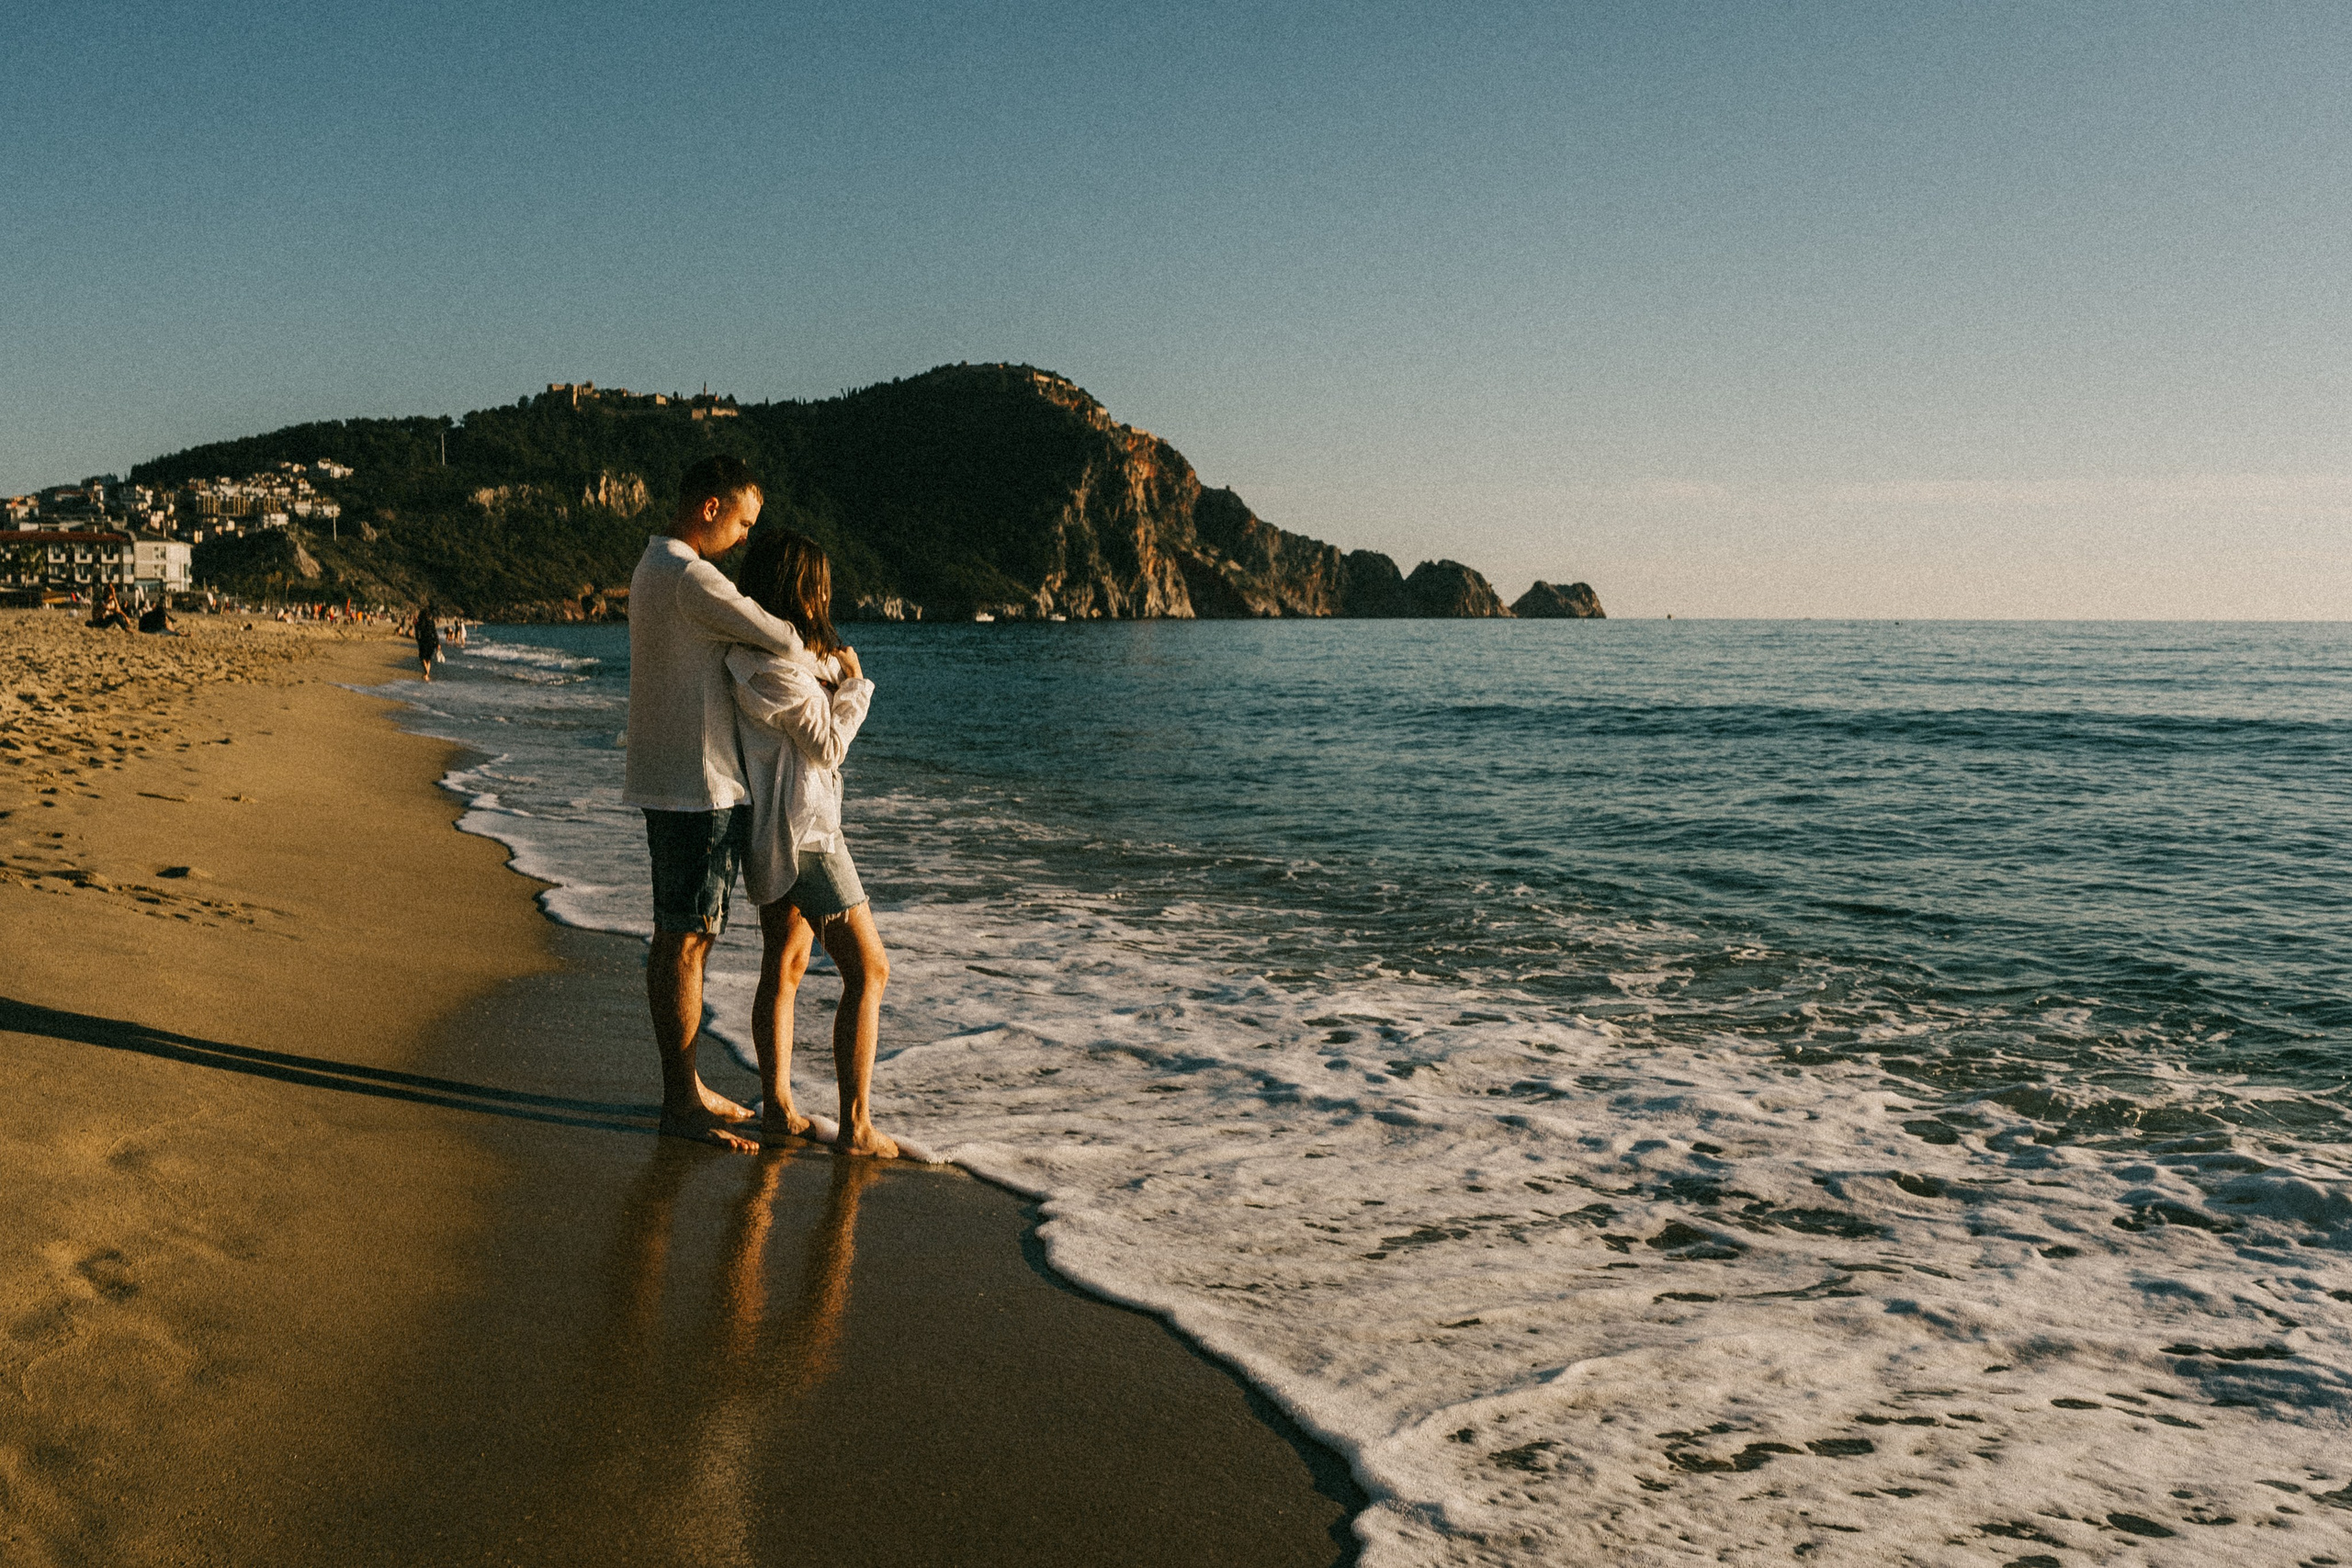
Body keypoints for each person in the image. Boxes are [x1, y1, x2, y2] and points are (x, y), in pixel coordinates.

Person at [622, 455, 812, 1151]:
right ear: (710, 508)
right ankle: (680, 1102)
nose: (745, 538)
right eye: (743, 521)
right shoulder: (688, 576)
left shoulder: (655, 569)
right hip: (696, 788)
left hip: (674, 780)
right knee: (685, 938)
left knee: (684, 936)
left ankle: (688, 1087)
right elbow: (782, 636)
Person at [729, 528, 897, 1158]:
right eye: (821, 584)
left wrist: (833, 671)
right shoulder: (770, 668)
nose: (828, 595)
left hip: (784, 828)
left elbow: (811, 687)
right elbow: (828, 743)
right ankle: (855, 1126)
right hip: (806, 836)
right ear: (801, 589)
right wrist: (857, 684)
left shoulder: (774, 658)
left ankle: (778, 1107)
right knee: (870, 968)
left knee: (788, 963)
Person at [413, 601, 442, 680]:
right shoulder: (431, 622)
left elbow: (417, 631)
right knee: (428, 659)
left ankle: (426, 672)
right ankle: (427, 675)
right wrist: (438, 643)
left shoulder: (420, 623)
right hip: (431, 641)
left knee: (422, 658)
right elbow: (435, 632)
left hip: (423, 641)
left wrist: (417, 639)